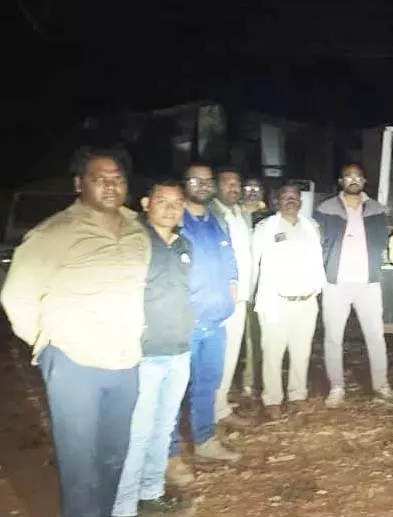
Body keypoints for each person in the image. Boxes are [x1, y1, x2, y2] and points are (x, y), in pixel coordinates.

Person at [1, 146, 149, 517]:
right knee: (80, 464)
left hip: (126, 360)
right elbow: (16, 296)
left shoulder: (137, 229)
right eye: (100, 179)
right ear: (79, 184)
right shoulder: (54, 232)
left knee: (114, 457)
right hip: (75, 363)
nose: (111, 186)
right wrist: (50, 344)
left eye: (117, 178)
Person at [112, 180, 195, 517]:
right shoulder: (135, 241)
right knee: (138, 433)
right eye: (162, 201)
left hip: (179, 351)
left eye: (177, 202)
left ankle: (151, 493)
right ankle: (123, 507)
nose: (170, 208)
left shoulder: (183, 244)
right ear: (146, 203)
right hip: (144, 355)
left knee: (163, 428)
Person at [168, 163, 240, 486]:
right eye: (196, 181)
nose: (203, 186)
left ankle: (205, 439)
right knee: (172, 391)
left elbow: (229, 260)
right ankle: (169, 454)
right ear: (184, 183)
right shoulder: (174, 219)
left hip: (215, 322)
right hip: (184, 324)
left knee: (207, 384)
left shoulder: (216, 221)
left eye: (208, 181)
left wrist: (232, 287)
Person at [315, 164, 393, 406]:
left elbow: (383, 242)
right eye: (348, 176)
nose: (353, 180)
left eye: (358, 176)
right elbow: (318, 242)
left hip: (368, 283)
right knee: (333, 338)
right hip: (335, 283)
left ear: (364, 180)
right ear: (341, 181)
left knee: (376, 336)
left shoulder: (377, 210)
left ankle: (381, 385)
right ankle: (337, 387)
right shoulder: (326, 209)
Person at [251, 183, 326, 420]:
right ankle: (272, 400)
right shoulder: (265, 228)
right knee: (273, 353)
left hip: (307, 302)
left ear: (301, 202)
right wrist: (251, 296)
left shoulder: (312, 227)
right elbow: (254, 263)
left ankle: (297, 396)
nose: (291, 200)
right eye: (285, 196)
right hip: (276, 301)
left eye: (295, 197)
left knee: (302, 352)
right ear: (277, 201)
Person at [210, 167, 256, 429]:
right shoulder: (210, 213)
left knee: (230, 356)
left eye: (236, 184)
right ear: (216, 186)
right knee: (215, 358)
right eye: (227, 183)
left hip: (241, 298)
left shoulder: (240, 213)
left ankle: (221, 408)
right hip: (220, 299)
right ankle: (208, 415)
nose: (233, 188)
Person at [240, 176, 269, 397]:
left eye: (256, 188)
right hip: (236, 286)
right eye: (248, 188)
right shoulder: (232, 214)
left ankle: (252, 381)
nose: (252, 192)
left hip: (261, 286)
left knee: (256, 337)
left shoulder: (269, 217)